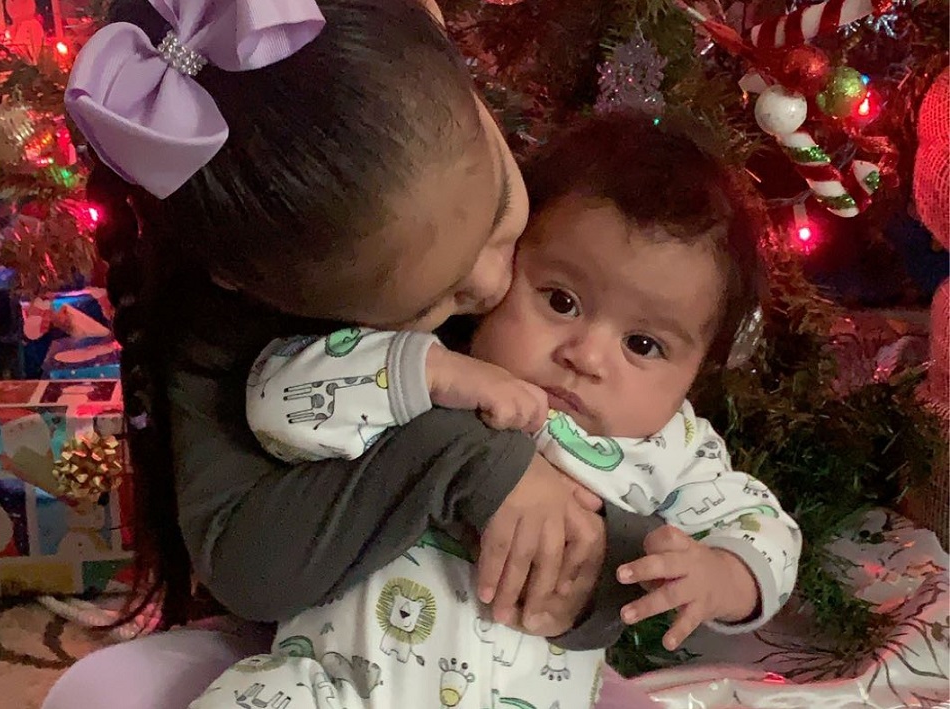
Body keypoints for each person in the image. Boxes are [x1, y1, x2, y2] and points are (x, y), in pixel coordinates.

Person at [43, 1, 663, 707]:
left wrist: (612, 556)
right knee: (103, 688)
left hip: (513, 668)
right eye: (431, 305)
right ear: (254, 285)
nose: (495, 284)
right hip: (334, 663)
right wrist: (459, 457)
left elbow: (648, 461)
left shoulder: (555, 211)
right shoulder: (221, 325)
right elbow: (247, 566)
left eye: (497, 210)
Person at [192, 113, 800, 709]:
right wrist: (427, 373)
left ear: (696, 373)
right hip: (338, 688)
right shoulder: (420, 365)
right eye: (561, 301)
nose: (585, 355)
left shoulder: (673, 448)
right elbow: (275, 401)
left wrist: (725, 575)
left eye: (643, 345)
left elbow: (767, 530)